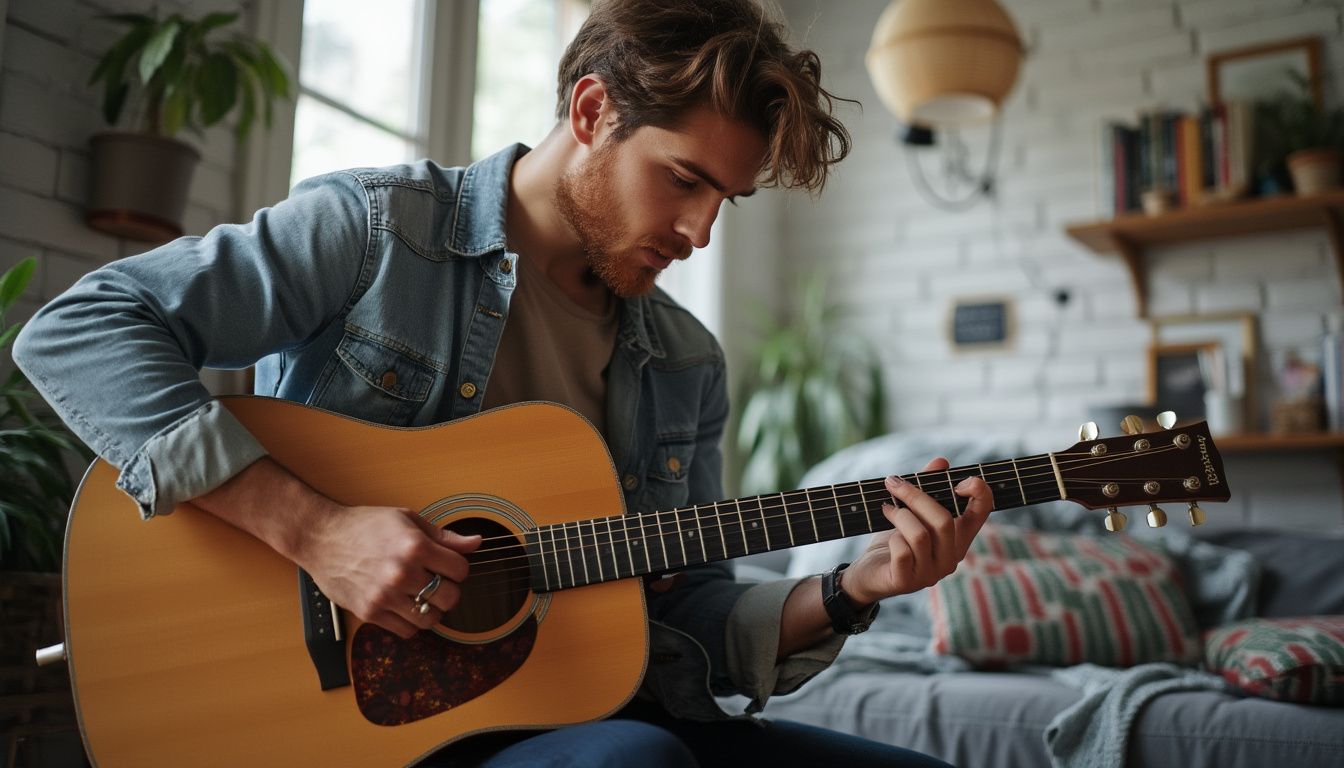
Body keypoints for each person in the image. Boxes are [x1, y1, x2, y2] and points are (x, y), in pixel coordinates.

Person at [14, 0, 993, 765]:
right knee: (636, 759)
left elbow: (682, 614)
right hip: (342, 721)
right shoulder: (375, 231)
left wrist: (857, 587)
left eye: (726, 200)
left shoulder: (686, 362)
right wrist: (316, 532)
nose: (702, 234)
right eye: (685, 180)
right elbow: (79, 331)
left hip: (570, 715)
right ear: (591, 110)